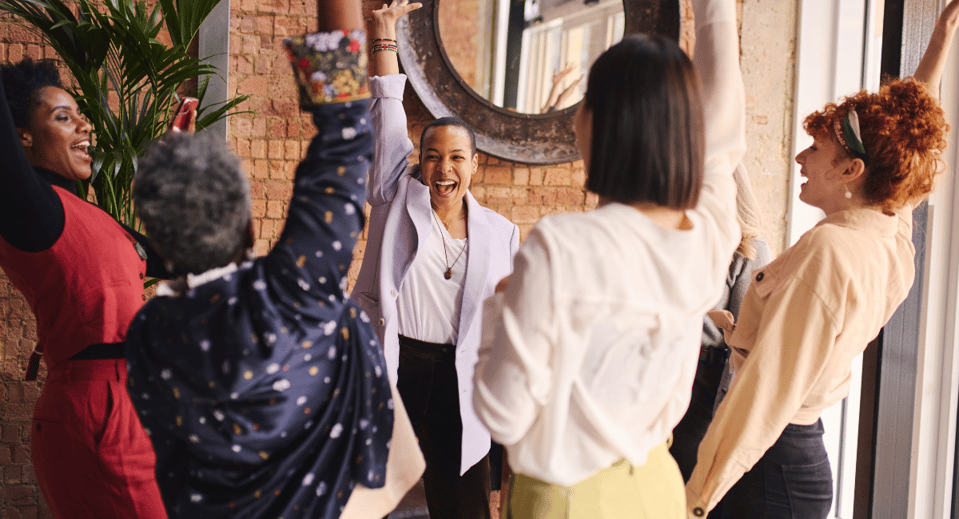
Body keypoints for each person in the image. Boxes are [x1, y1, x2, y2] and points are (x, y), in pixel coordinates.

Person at [124, 0, 425, 516]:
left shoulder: (151, 333)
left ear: (157, 247)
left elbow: (344, 139)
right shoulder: (292, 291)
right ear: (248, 226)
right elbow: (346, 136)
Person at [684, 1, 958, 517]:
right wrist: (940, 39)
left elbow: (763, 398)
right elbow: (905, 153)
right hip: (794, 461)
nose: (800, 158)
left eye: (815, 148)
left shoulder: (830, 253)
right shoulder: (889, 231)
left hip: (765, 473)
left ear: (851, 169)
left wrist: (694, 499)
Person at [472, 0, 746, 514]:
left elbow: (501, 415)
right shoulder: (707, 236)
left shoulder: (562, 248)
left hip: (567, 499)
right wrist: (717, 12)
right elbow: (723, 145)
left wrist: (499, 306)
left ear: (604, 123)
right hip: (657, 487)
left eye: (586, 101)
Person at [351, 1, 520, 517]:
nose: (442, 168)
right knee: (380, 500)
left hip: (460, 379)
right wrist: (382, 30)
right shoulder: (395, 195)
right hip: (397, 365)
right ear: (417, 161)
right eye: (431, 155)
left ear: (474, 165)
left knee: (463, 504)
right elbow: (387, 110)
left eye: (455, 157)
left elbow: (507, 321)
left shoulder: (501, 232)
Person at [0, 59, 169, 517]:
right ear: (22, 138)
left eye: (79, 114)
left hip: (137, 404)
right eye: (63, 116)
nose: (84, 124)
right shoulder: (30, 209)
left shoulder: (93, 217)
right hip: (98, 411)